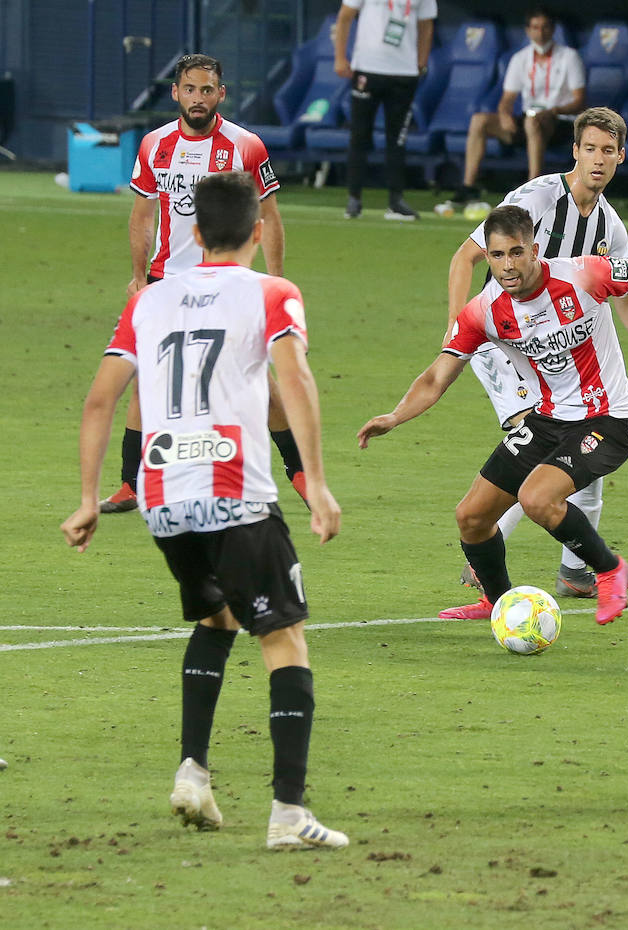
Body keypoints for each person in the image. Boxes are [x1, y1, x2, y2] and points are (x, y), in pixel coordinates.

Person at [61, 171, 349, 849]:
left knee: (218, 615)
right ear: (257, 231)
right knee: (285, 638)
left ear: (192, 235)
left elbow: (100, 400)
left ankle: (192, 772)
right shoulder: (273, 292)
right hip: (237, 493)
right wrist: (318, 480)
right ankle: (288, 813)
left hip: (163, 496)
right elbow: (295, 379)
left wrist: (87, 497)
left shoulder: (149, 302)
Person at [357, 205, 628, 625]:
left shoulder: (583, 275)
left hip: (608, 419)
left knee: (536, 498)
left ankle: (610, 570)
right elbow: (436, 377)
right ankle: (499, 603)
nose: (508, 266)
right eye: (497, 256)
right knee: (472, 517)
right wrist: (394, 416)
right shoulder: (484, 311)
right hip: (547, 420)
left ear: (535, 249)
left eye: (517, 253)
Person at [440, 108, 628, 612]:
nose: (597, 160)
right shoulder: (536, 200)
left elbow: (627, 295)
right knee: (537, 445)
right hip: (506, 344)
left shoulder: (610, 225)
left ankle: (573, 572)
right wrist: (455, 326)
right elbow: (465, 257)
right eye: (589, 148)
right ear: (574, 151)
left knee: (578, 453)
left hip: (561, 343)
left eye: (607, 151)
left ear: (621, 156)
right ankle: (488, 553)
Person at [104, 53, 306, 514]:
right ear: (175, 92)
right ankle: (130, 484)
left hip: (229, 281)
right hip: (166, 282)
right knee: (144, 379)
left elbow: (269, 216)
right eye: (189, 89)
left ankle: (298, 471)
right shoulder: (154, 144)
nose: (198, 98)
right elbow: (142, 215)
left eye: (207, 90)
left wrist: (273, 279)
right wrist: (139, 276)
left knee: (257, 377)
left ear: (221, 94)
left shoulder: (245, 146)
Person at [446, 7, 585, 207]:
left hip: (560, 121)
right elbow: (507, 98)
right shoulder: (521, 58)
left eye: (545, 27)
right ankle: (468, 186)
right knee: (480, 120)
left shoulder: (569, 57)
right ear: (528, 31)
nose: (540, 32)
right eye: (535, 27)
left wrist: (553, 111)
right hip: (529, 118)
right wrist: (504, 114)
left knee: (532, 121)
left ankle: (532, 189)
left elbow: (579, 101)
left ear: (553, 30)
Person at [334, 0, 437, 220]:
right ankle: (354, 199)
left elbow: (427, 24)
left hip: (404, 72)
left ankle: (396, 201)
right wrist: (340, 57)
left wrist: (421, 61)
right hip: (368, 68)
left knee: (398, 139)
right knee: (360, 134)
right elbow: (345, 15)